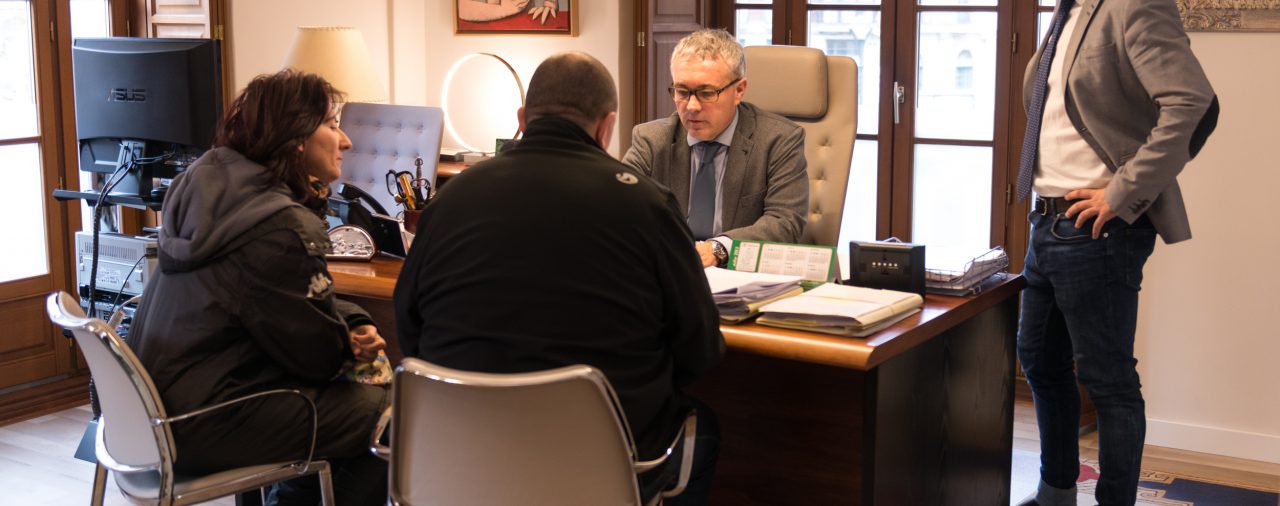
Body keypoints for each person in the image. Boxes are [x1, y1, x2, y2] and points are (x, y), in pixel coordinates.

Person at [394, 52, 725, 505]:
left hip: (456, 467)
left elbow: (409, 329)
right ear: (606, 126)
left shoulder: (451, 198)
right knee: (702, 429)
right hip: (601, 469)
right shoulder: (645, 204)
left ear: (521, 119)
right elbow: (699, 350)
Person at [127, 70, 390, 505]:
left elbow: (273, 300)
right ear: (298, 139)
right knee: (386, 415)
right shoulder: (277, 227)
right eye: (332, 125)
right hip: (205, 421)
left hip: (153, 413)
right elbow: (317, 360)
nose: (345, 141)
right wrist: (347, 345)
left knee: (346, 406)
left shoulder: (213, 190)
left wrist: (352, 320)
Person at [1014, 1, 1217, 504]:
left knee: (1109, 383)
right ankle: (1055, 493)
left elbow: (1194, 103)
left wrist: (1122, 193)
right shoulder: (1067, 11)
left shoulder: (1133, 5)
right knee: (1039, 361)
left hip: (1097, 232)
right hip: (1046, 221)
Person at [622, 28, 808, 268]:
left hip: (740, 276)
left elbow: (785, 222)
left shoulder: (778, 140)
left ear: (739, 90)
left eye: (706, 93)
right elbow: (618, 206)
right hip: (670, 271)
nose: (691, 106)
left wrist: (718, 249)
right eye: (682, 91)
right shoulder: (651, 140)